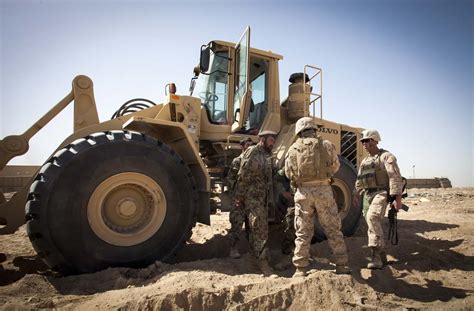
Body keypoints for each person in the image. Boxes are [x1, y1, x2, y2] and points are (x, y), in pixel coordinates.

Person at [285, 117, 351, 277]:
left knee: (303, 231)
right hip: (323, 191)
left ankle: (300, 268)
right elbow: (335, 166)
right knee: (333, 228)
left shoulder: (292, 149)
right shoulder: (327, 145)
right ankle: (341, 265)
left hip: (303, 194)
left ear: (299, 131)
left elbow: (288, 173)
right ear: (314, 129)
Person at [353, 129, 404, 269]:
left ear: (375, 141)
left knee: (372, 217)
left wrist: (397, 198)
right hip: (367, 195)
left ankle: (375, 256)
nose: (364, 144)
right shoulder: (365, 161)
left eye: (367, 141)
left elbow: (395, 178)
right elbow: (359, 180)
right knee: (371, 224)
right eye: (362, 141)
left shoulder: (386, 157)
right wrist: (355, 194)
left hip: (381, 193)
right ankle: (382, 256)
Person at [233, 130, 277, 276]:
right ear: (262, 139)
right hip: (252, 197)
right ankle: (264, 265)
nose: (273, 142)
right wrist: (239, 197)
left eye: (274, 140)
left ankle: (255, 258)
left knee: (256, 228)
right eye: (271, 140)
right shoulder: (252, 152)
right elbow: (242, 175)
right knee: (260, 228)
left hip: (261, 198)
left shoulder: (267, 155)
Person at [228, 137, 253, 258]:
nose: (249, 146)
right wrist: (238, 196)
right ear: (242, 147)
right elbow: (231, 179)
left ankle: (253, 251)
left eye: (251, 144)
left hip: (252, 198)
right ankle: (233, 249)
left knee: (252, 226)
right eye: (247, 145)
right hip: (239, 198)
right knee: (237, 225)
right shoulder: (237, 161)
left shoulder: (255, 161)